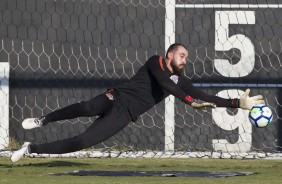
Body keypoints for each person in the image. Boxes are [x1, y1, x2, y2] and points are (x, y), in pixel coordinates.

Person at [11, 43, 264, 162]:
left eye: (187, 57)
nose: (185, 59)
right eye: (182, 55)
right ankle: (43, 120)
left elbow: (206, 96)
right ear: (169, 54)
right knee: (88, 107)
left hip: (124, 115)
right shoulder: (156, 62)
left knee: (81, 142)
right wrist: (188, 101)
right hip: (115, 98)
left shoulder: (182, 81)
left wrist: (235, 103)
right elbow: (165, 84)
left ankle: (30, 149)